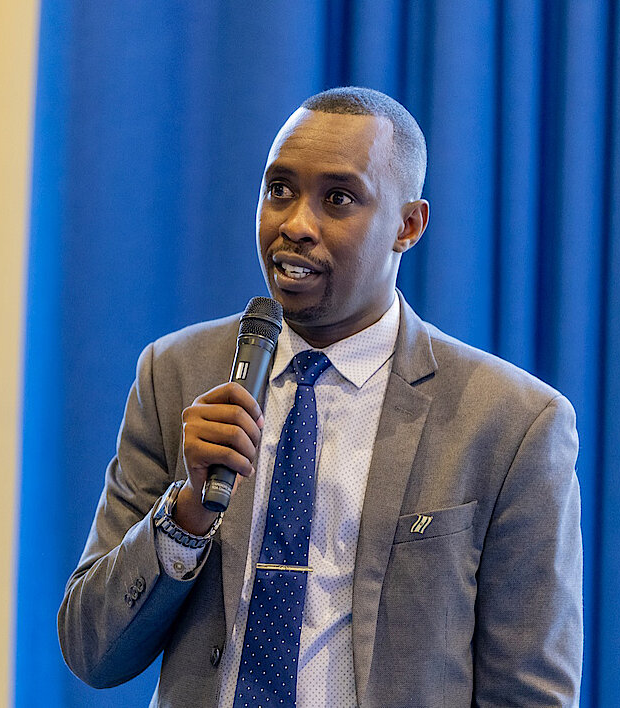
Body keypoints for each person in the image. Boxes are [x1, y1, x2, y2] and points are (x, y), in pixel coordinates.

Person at [58, 87, 583, 707]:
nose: (296, 225)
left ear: (408, 226)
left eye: (338, 199)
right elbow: (92, 650)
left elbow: (529, 692)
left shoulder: (513, 422)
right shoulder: (176, 373)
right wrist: (187, 513)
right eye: (279, 190)